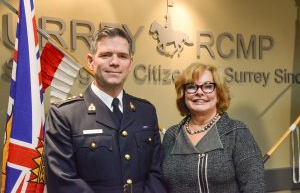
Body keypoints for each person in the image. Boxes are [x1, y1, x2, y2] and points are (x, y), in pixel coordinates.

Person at [44, 27, 166, 193]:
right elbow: (63, 182)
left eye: (122, 56)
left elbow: (157, 173)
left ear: (130, 64)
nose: (115, 62)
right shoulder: (64, 115)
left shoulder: (146, 112)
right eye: (106, 55)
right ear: (90, 61)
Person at [162, 62, 265, 193]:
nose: (199, 92)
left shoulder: (237, 132)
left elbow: (254, 187)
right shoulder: (172, 135)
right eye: (192, 87)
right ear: (183, 94)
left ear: (219, 94)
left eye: (208, 86)